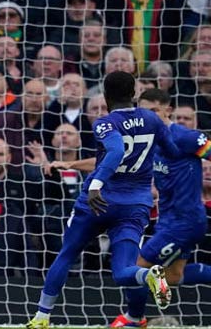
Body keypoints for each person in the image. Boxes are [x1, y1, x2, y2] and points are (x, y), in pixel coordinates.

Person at [25, 72, 180, 329]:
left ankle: (42, 317)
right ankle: (147, 275)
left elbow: (116, 150)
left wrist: (96, 184)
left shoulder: (105, 123)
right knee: (123, 271)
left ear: (106, 96)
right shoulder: (152, 118)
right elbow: (172, 151)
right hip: (135, 204)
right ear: (134, 95)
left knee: (67, 253)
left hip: (97, 201)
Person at [51, 89, 211, 327]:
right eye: (146, 110)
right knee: (175, 276)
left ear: (168, 109)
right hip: (170, 220)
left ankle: (134, 318)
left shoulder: (184, 136)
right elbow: (109, 161)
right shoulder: (149, 137)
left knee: (133, 268)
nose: (151, 115)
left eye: (155, 110)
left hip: (184, 222)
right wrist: (71, 163)